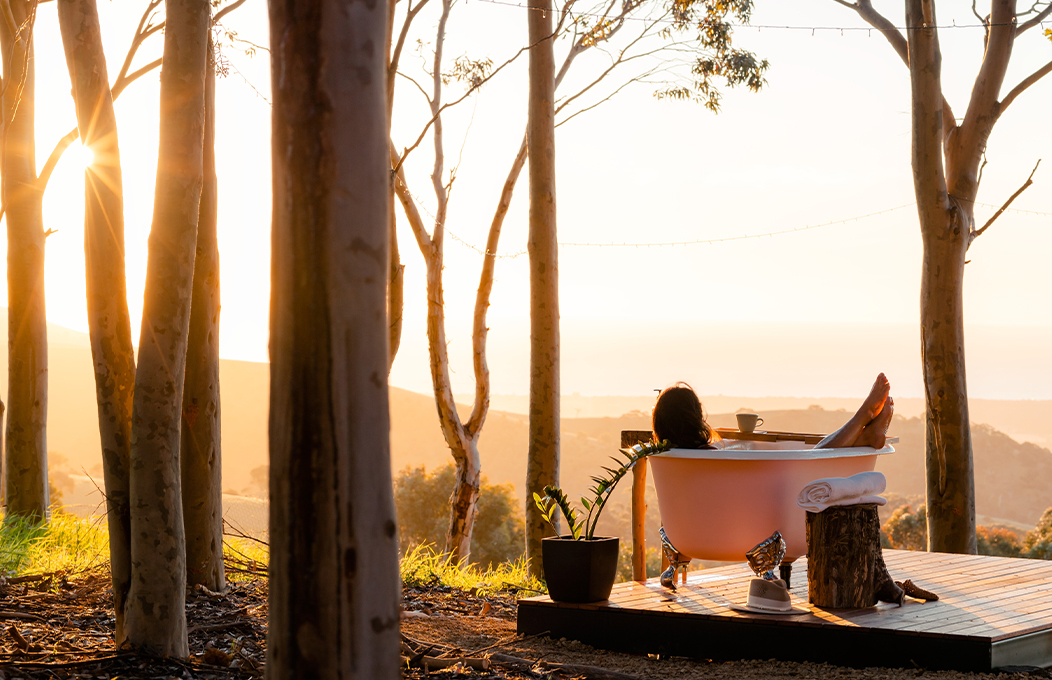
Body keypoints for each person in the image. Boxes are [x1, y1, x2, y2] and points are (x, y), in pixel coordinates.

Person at [652, 373, 894, 450]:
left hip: (687, 534)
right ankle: (862, 416)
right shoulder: (711, 458)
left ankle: (863, 437)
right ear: (696, 417)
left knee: (809, 459)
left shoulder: (666, 458)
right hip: (760, 523)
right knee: (811, 459)